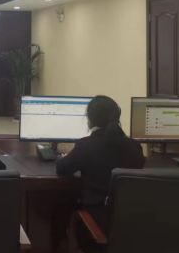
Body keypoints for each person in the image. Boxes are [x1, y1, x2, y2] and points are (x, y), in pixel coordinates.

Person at [56, 95, 145, 231]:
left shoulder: (85, 145)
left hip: (95, 225)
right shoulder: (135, 147)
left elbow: (62, 168)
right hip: (128, 224)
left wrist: (67, 157)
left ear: (90, 120)